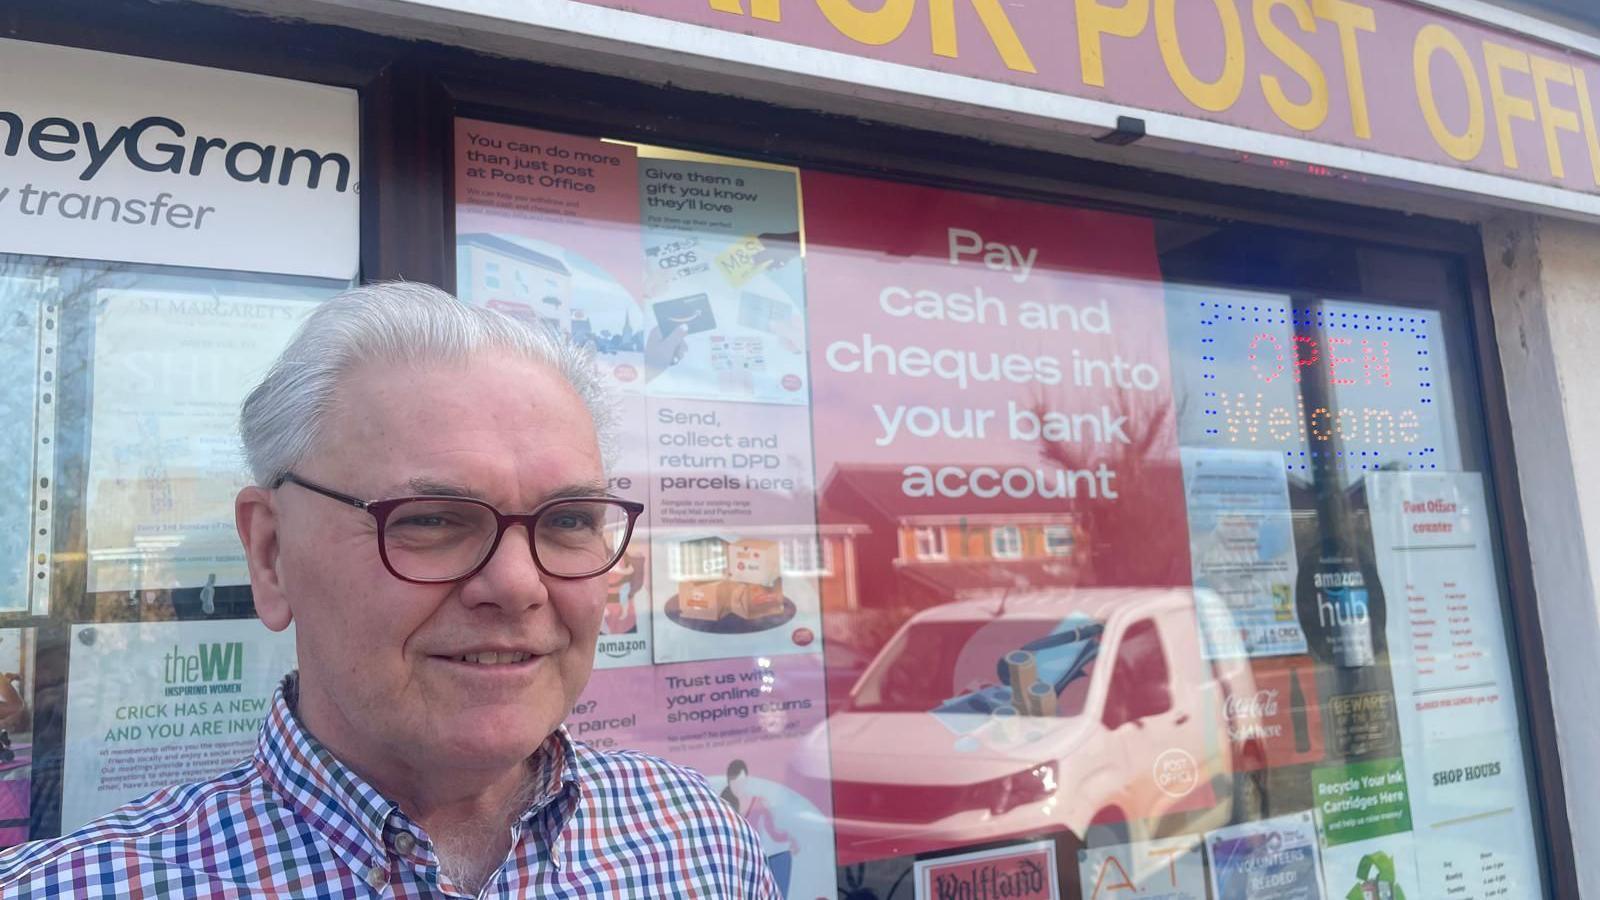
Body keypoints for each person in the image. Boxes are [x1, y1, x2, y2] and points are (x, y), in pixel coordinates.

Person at [0, 283, 779, 898]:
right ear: (270, 556)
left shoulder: (699, 842)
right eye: (432, 519)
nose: (516, 584)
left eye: (569, 519)